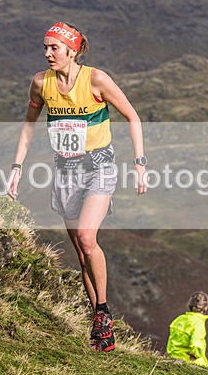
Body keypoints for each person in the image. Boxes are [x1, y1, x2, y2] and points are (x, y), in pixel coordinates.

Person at [8, 22, 148, 351]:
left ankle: (102, 312)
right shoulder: (41, 84)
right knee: (82, 256)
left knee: (88, 237)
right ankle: (99, 326)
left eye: (54, 48)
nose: (47, 53)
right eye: (44, 47)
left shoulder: (96, 80)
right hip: (65, 172)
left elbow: (133, 116)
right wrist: (17, 168)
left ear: (71, 51)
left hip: (99, 167)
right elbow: (28, 127)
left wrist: (140, 165)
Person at [166, 291, 208, 367]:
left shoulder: (179, 319)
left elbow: (171, 340)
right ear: (205, 307)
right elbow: (196, 343)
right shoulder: (198, 323)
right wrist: (196, 356)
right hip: (189, 360)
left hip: (174, 356)